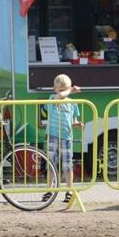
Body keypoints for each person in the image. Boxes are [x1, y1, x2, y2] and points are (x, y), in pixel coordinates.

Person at [43, 74, 82, 205]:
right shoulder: (52, 98)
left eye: (64, 90)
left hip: (66, 137)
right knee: (51, 164)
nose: (62, 93)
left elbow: (73, 119)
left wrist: (77, 123)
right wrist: (70, 90)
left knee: (67, 165)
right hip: (53, 135)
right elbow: (58, 97)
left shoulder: (72, 103)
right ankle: (49, 189)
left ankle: (69, 190)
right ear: (54, 89)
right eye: (59, 90)